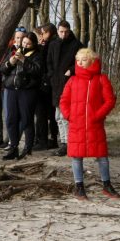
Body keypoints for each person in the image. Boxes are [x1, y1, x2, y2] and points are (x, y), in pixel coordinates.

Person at [59, 48, 120, 200]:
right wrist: (69, 115)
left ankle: (107, 185)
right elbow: (63, 101)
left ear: (92, 61)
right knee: (76, 157)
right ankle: (79, 187)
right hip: (76, 125)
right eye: (78, 60)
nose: (79, 63)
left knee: (102, 156)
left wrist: (97, 115)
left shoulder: (101, 79)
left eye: (83, 60)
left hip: (95, 125)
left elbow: (110, 101)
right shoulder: (72, 80)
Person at [0, 31, 42, 160]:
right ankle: (13, 147)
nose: (25, 45)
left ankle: (28, 148)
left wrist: (24, 61)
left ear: (33, 44)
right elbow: (3, 69)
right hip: (11, 89)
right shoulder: (14, 51)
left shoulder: (37, 55)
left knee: (26, 119)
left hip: (27, 90)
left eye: (28, 44)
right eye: (24, 42)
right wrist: (10, 62)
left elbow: (37, 71)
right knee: (10, 119)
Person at [45, 20, 83, 156]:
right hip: (56, 83)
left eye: (66, 32)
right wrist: (51, 75)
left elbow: (82, 61)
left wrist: (71, 71)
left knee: (66, 115)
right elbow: (48, 61)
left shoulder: (76, 45)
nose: (63, 34)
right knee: (58, 116)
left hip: (70, 84)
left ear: (69, 30)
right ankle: (64, 143)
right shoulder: (53, 44)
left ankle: (69, 143)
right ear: (58, 31)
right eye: (61, 31)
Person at [0, 27, 27, 149]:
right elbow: (3, 67)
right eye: (17, 38)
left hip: (13, 87)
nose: (19, 40)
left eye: (21, 38)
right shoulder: (6, 48)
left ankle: (10, 140)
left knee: (11, 115)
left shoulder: (23, 50)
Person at [33, 24, 58, 150]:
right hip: (46, 83)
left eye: (43, 33)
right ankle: (45, 139)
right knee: (46, 113)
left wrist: (40, 46)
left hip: (46, 84)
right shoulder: (48, 44)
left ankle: (44, 140)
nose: (41, 36)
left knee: (43, 113)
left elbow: (45, 64)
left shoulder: (51, 45)